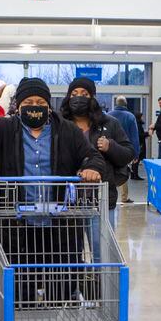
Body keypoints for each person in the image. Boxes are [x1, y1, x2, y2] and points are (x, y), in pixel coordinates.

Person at [0, 69, 108, 321]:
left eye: (40, 101)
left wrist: (92, 169)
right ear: (18, 105)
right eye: (29, 101)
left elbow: (91, 157)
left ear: (48, 105)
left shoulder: (67, 131)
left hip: (59, 226)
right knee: (22, 288)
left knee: (61, 281)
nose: (35, 106)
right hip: (16, 227)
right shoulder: (4, 130)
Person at [61, 77, 135, 222]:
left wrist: (111, 147)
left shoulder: (110, 123)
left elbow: (129, 153)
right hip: (66, 200)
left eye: (84, 94)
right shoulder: (60, 125)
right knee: (70, 245)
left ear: (92, 98)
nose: (78, 97)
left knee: (101, 244)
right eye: (74, 94)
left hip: (101, 199)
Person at [108, 96, 140, 203]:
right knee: (123, 171)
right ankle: (124, 197)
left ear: (116, 104)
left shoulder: (108, 115)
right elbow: (134, 136)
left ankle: (107, 195)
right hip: (124, 149)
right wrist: (136, 154)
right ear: (126, 104)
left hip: (110, 148)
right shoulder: (130, 117)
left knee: (109, 170)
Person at [132, 111, 147, 179]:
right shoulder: (138, 125)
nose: (143, 118)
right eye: (142, 116)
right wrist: (147, 134)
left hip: (137, 143)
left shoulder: (135, 124)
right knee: (137, 160)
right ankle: (135, 175)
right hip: (139, 144)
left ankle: (133, 174)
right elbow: (140, 135)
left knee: (135, 160)